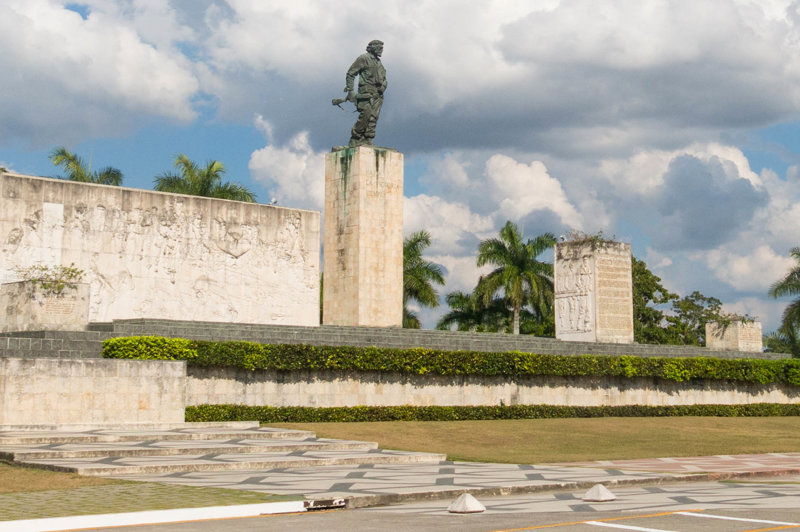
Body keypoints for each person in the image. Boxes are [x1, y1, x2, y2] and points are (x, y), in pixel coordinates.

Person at [340, 40, 387, 147]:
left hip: (378, 95)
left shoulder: (379, 63)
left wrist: (384, 86)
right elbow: (351, 73)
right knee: (365, 115)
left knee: (373, 117)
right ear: (373, 47)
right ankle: (356, 137)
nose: (382, 50)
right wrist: (350, 90)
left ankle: (367, 138)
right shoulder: (363, 58)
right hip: (366, 94)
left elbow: (384, 78)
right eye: (380, 48)